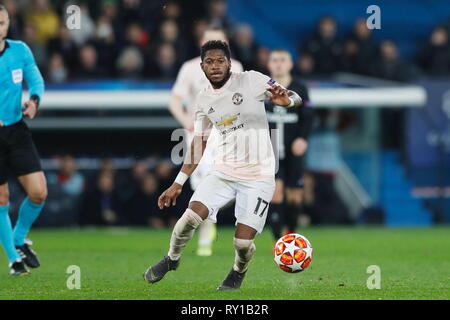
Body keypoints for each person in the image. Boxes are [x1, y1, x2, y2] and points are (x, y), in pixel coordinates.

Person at [144, 40, 303, 290]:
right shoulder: (203, 99)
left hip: (259, 175)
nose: (215, 66)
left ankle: (238, 272)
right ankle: (171, 260)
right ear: (202, 66)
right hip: (225, 171)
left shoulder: (251, 80)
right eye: (209, 62)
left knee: (242, 243)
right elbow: (199, 143)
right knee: (189, 216)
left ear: (229, 63)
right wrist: (178, 183)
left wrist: (288, 102)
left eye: (220, 61)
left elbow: (294, 96)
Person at [169, 27, 243, 257]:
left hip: (224, 135)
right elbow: (174, 99)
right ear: (201, 41)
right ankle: (207, 231)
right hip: (198, 134)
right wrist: (185, 121)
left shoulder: (237, 68)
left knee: (220, 184)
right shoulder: (190, 68)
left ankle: (206, 230)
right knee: (200, 186)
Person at [0, 5, 47, 276]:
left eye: (2, 22)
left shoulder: (20, 50)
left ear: (8, 23)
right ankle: (13, 260)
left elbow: (37, 82)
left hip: (16, 130)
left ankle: (18, 239)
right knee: (2, 197)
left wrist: (34, 101)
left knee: (38, 192)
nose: (0, 27)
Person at [265, 49, 313, 240]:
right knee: (275, 193)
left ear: (290, 64)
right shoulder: (263, 88)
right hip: (271, 151)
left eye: (282, 60)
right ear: (269, 65)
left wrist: (303, 138)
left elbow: (308, 116)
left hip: (294, 148)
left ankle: (291, 235)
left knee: (295, 195)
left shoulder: (300, 87)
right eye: (274, 60)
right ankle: (278, 241)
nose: (278, 64)